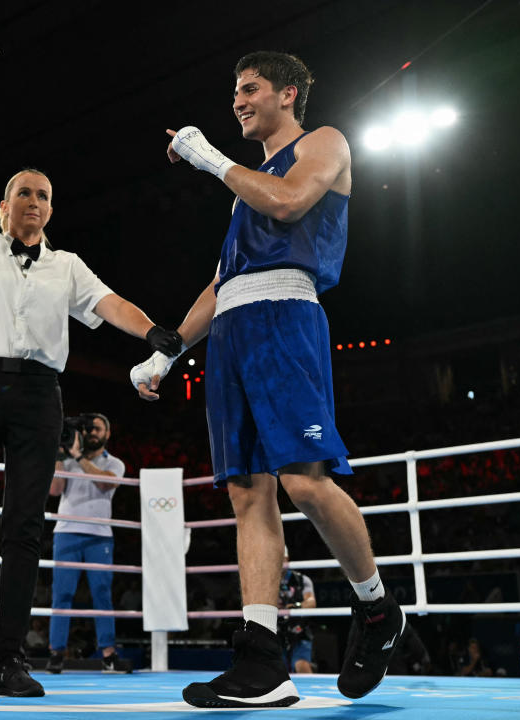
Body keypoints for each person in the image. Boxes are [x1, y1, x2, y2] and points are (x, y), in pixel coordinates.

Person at [130, 51, 405, 707]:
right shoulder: (244, 186)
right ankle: (261, 662)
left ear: (288, 93)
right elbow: (226, 279)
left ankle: (377, 608)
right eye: (233, 90)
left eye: (249, 88)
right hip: (232, 329)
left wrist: (211, 162)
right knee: (247, 494)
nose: (237, 100)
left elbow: (289, 204)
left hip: (286, 317)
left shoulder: (324, 143)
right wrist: (170, 349)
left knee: (304, 482)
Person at [0, 74, 184, 698]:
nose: (33, 202)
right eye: (23, 194)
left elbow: (109, 302)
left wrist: (154, 334)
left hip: (39, 392)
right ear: (4, 206)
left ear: (51, 210)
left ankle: (11, 658)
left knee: (25, 525)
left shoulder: (66, 265)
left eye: (43, 195)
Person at [46, 413, 124, 674]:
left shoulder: (115, 463)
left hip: (99, 535)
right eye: (88, 429)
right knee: (62, 594)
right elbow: (54, 490)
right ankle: (56, 653)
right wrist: (59, 455)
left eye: (97, 428)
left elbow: (105, 483)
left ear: (107, 434)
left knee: (102, 593)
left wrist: (79, 458)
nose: (92, 432)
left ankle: (109, 654)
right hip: (66, 532)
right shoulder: (68, 460)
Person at [277, 546, 315, 674]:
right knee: (275, 671)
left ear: (286, 558)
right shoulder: (264, 581)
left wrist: (296, 606)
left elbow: (311, 602)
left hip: (299, 631)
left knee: (301, 666)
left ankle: (311, 692)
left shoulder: (301, 580)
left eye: (280, 558)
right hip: (275, 632)